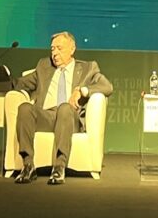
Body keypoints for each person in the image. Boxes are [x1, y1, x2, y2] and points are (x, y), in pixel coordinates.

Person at [12, 31, 113, 185]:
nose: (54, 53)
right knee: (24, 108)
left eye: (59, 48)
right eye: (52, 49)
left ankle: (59, 167)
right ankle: (28, 165)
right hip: (46, 116)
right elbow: (20, 83)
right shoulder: (44, 66)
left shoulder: (88, 68)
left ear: (72, 49)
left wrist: (82, 90)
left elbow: (107, 86)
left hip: (69, 118)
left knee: (65, 108)